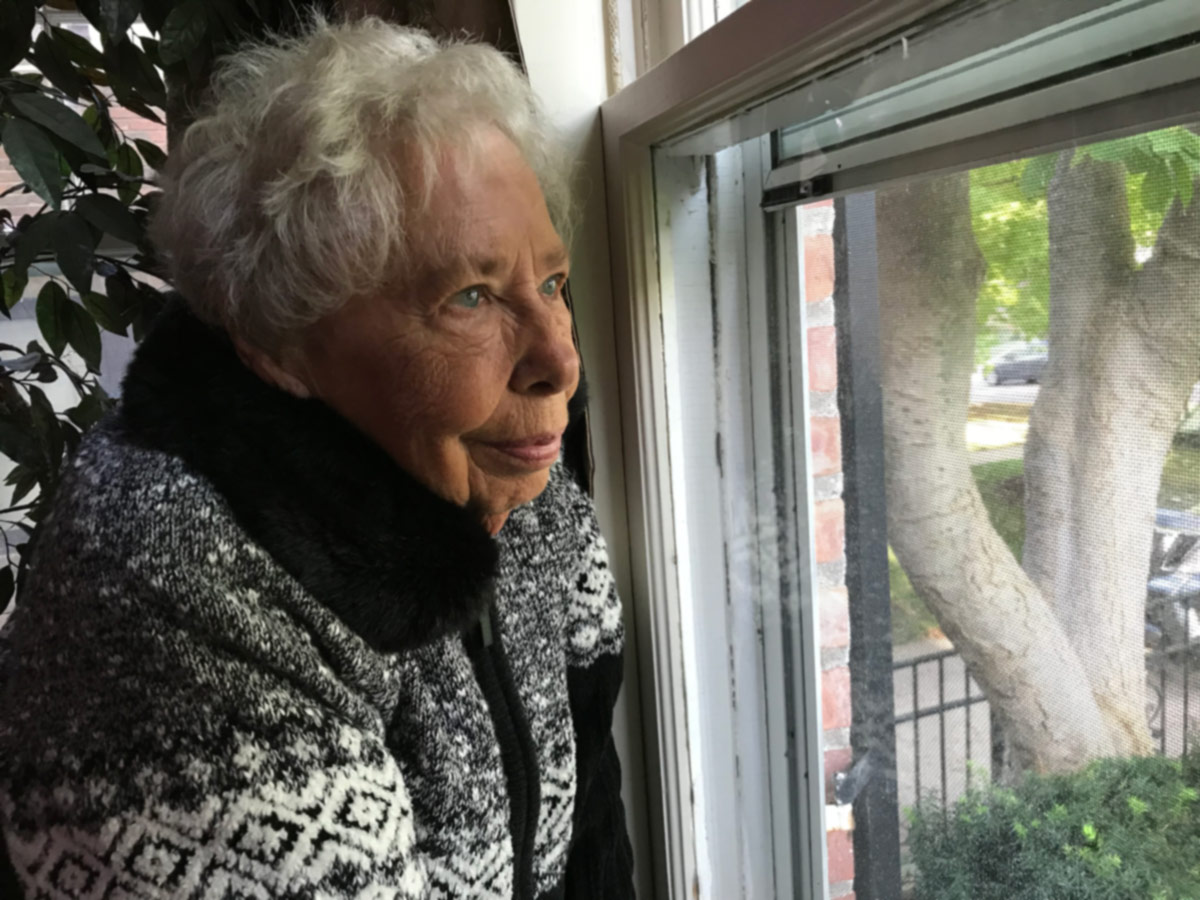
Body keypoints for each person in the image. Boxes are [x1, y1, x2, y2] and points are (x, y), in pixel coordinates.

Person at [0, 18, 634, 899]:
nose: (560, 360)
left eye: (553, 284)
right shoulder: (169, 593)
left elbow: (591, 814)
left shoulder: (507, 467)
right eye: (470, 296)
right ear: (280, 343)